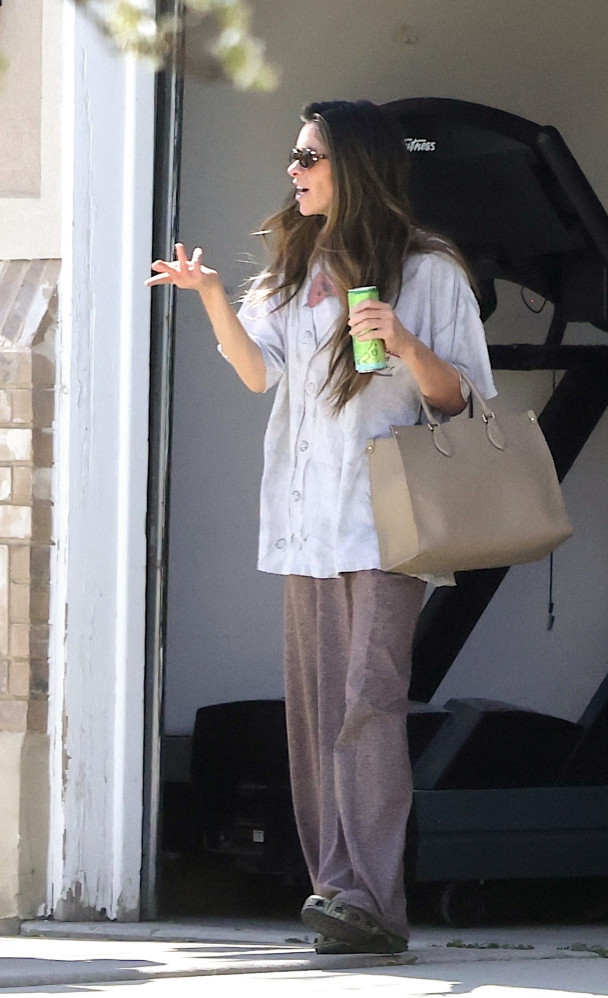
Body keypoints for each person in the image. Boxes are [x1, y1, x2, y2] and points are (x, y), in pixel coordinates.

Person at [147, 99, 496, 954]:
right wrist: (213, 297)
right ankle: (336, 891)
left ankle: (375, 902)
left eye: (310, 157)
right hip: (306, 524)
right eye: (294, 157)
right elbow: (256, 374)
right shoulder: (294, 267)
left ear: (357, 168)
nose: (294, 171)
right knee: (314, 716)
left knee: (368, 705)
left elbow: (465, 402)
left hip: (385, 524)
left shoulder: (429, 270)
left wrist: (405, 343)